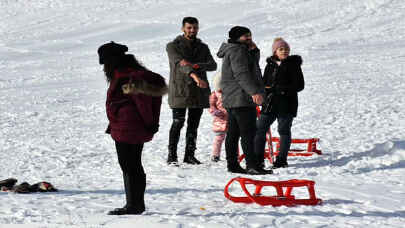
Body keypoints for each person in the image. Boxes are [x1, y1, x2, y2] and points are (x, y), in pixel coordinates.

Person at [98, 41, 168, 215]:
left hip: (127, 127)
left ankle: (133, 205)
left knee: (129, 166)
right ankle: (136, 204)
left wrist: (150, 123)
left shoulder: (126, 76)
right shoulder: (133, 74)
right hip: (128, 126)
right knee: (134, 165)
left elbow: (141, 103)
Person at [217, 26, 272, 175]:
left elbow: (249, 67)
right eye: (245, 36)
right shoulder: (238, 50)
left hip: (233, 98)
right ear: (236, 38)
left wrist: (254, 52)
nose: (248, 38)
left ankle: (233, 164)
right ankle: (253, 165)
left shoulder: (235, 49)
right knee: (249, 133)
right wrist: (253, 92)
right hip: (241, 97)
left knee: (234, 133)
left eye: (250, 35)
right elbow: (242, 73)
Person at [166, 17, 217, 165]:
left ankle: (189, 155)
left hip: (198, 91)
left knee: (194, 124)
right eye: (189, 28)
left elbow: (212, 65)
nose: (192, 30)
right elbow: (181, 64)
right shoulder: (173, 46)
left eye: (194, 28)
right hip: (180, 90)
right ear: (183, 28)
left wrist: (196, 65)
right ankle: (172, 155)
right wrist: (195, 75)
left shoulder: (203, 47)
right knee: (178, 122)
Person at [254, 38, 305, 169]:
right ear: (275, 51)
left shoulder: (294, 64)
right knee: (259, 129)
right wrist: (264, 92)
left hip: (287, 103)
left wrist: (281, 89)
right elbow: (265, 82)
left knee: (284, 130)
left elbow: (299, 85)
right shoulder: (270, 65)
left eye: (286, 49)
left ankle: (281, 160)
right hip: (270, 103)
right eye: (281, 49)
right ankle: (258, 159)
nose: (284, 51)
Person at [209, 72, 227, 162]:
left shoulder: (230, 92)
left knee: (232, 138)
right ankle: (215, 155)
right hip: (220, 120)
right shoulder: (214, 94)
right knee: (218, 138)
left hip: (231, 118)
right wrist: (215, 111)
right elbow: (211, 105)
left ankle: (232, 153)